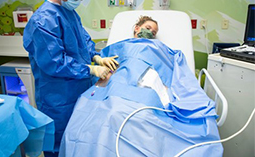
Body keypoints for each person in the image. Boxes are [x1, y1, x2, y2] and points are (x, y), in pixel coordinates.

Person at [59, 17, 223, 156]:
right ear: (137, 28)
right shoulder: (121, 45)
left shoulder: (161, 48)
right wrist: (100, 65)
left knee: (132, 116)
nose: (151, 32)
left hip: (146, 85)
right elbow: (105, 63)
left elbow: (171, 69)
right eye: (148, 28)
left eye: (154, 32)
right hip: (117, 83)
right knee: (97, 112)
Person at [23, 0, 118, 156]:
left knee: (78, 136)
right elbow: (54, 63)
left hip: (78, 88)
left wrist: (96, 57)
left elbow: (82, 40)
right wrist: (91, 70)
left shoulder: (69, 13)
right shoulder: (43, 21)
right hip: (58, 96)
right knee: (59, 142)